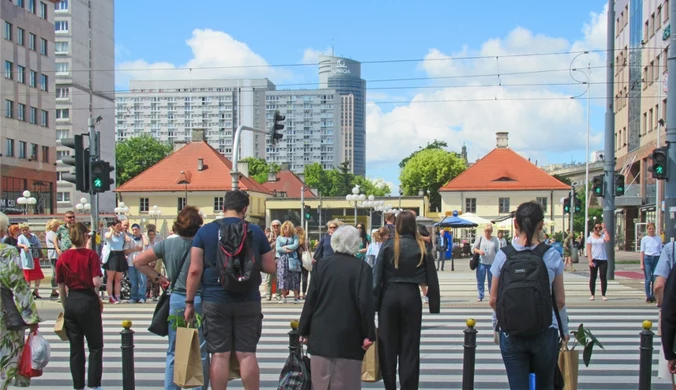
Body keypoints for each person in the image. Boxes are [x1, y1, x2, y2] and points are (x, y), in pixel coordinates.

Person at [184, 190, 276, 390]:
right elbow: (270, 267)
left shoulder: (205, 232)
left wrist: (189, 302)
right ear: (245, 209)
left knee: (219, 354)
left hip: (215, 299)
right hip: (248, 299)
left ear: (223, 207)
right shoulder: (255, 231)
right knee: (247, 353)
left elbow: (194, 270)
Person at [489, 201, 569, 389]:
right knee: (545, 385)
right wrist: (564, 331)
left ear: (515, 224)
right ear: (541, 225)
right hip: (545, 330)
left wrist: (498, 326)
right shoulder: (551, 255)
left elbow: (493, 299)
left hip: (511, 333)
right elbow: (560, 301)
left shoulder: (504, 255)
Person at [134, 206, 210, 390]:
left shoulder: (167, 244)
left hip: (176, 297)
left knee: (174, 350)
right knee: (200, 350)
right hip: (199, 298)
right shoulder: (203, 244)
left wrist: (159, 278)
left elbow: (138, 261)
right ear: (198, 225)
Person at [298, 226, 376, 389]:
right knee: (347, 382)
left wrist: (303, 330)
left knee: (320, 382)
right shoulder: (363, 269)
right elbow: (365, 304)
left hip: (320, 335)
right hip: (349, 336)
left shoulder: (321, 266)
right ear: (356, 244)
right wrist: (369, 334)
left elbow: (311, 300)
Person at [373, 210, 440, 390]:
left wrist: (372, 306)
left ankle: (390, 386)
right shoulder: (420, 246)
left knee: (387, 346)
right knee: (410, 347)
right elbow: (431, 277)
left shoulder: (388, 246)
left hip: (389, 296)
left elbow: (376, 276)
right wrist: (434, 303)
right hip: (411, 296)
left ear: (398, 226)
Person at [56, 222, 104, 390]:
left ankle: (78, 385)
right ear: (85, 236)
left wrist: (65, 305)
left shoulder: (62, 258)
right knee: (95, 346)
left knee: (76, 348)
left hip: (71, 301)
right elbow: (96, 282)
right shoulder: (91, 256)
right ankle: (94, 385)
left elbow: (61, 287)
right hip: (88, 300)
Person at [0, 212, 40, 390]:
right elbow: (18, 287)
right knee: (7, 358)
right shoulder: (7, 253)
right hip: (4, 315)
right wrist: (31, 318)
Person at [103, 219, 131, 304]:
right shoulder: (108, 234)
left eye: (120, 226)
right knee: (110, 278)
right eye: (117, 226)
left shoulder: (122, 235)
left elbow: (128, 240)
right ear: (113, 226)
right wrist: (112, 230)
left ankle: (117, 295)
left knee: (118, 278)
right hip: (112, 255)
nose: (119, 228)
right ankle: (111, 296)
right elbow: (108, 237)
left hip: (120, 255)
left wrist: (124, 232)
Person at [472, 223, 499, 302]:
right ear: (484, 231)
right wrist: (479, 251)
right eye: (486, 231)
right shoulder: (480, 238)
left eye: (489, 231)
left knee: (491, 280)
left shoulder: (494, 240)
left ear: (491, 231)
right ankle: (480, 295)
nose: (487, 232)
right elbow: (473, 248)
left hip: (492, 263)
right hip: (482, 262)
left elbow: (498, 251)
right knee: (480, 279)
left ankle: (492, 295)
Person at [276, 221, 301, 304]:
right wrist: (286, 250)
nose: (287, 229)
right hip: (282, 259)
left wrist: (285, 247)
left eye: (288, 228)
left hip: (292, 259)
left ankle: (295, 297)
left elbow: (295, 245)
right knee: (282, 277)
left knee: (294, 277)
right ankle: (284, 297)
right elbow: (278, 248)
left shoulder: (294, 237)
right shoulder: (279, 237)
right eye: (285, 228)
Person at [17, 222, 44, 298]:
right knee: (28, 276)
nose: (25, 231)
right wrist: (24, 246)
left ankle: (36, 291)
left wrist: (41, 253)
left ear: (28, 229)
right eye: (23, 230)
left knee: (38, 275)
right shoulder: (21, 237)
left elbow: (38, 244)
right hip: (27, 258)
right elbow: (19, 244)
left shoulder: (34, 236)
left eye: (26, 229)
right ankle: (28, 292)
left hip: (35, 257)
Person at [587, 222, 611, 301]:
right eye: (596, 228)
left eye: (599, 228)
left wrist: (604, 229)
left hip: (603, 259)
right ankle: (592, 294)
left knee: (603, 277)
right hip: (594, 259)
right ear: (593, 229)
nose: (598, 230)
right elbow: (588, 250)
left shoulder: (603, 236)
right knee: (593, 277)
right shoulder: (590, 238)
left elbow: (608, 239)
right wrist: (590, 261)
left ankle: (603, 294)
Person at [640, 222, 662, 303]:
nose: (651, 230)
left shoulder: (658, 238)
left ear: (654, 229)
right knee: (648, 278)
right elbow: (642, 252)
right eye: (649, 229)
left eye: (652, 228)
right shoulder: (644, 239)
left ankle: (654, 295)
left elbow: (660, 250)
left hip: (656, 257)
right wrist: (641, 263)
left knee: (654, 278)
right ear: (647, 230)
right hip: (647, 258)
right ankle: (648, 296)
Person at [264, 220, 281, 301]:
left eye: (277, 225)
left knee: (279, 278)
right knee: (268, 279)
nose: (276, 227)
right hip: (270, 258)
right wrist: (270, 241)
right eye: (274, 226)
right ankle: (268, 294)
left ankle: (278, 294)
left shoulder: (282, 235)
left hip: (279, 258)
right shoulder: (268, 235)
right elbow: (265, 246)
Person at [45, 219, 61, 299]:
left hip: (56, 255)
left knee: (56, 272)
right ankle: (54, 290)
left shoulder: (53, 233)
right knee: (55, 272)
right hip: (54, 255)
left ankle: (55, 290)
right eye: (56, 225)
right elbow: (57, 242)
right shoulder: (51, 234)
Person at [295, 226, 309, 299]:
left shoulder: (295, 240)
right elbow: (309, 250)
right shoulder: (306, 241)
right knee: (305, 278)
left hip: (297, 260)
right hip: (305, 261)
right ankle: (303, 293)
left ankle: (297, 294)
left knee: (297, 278)